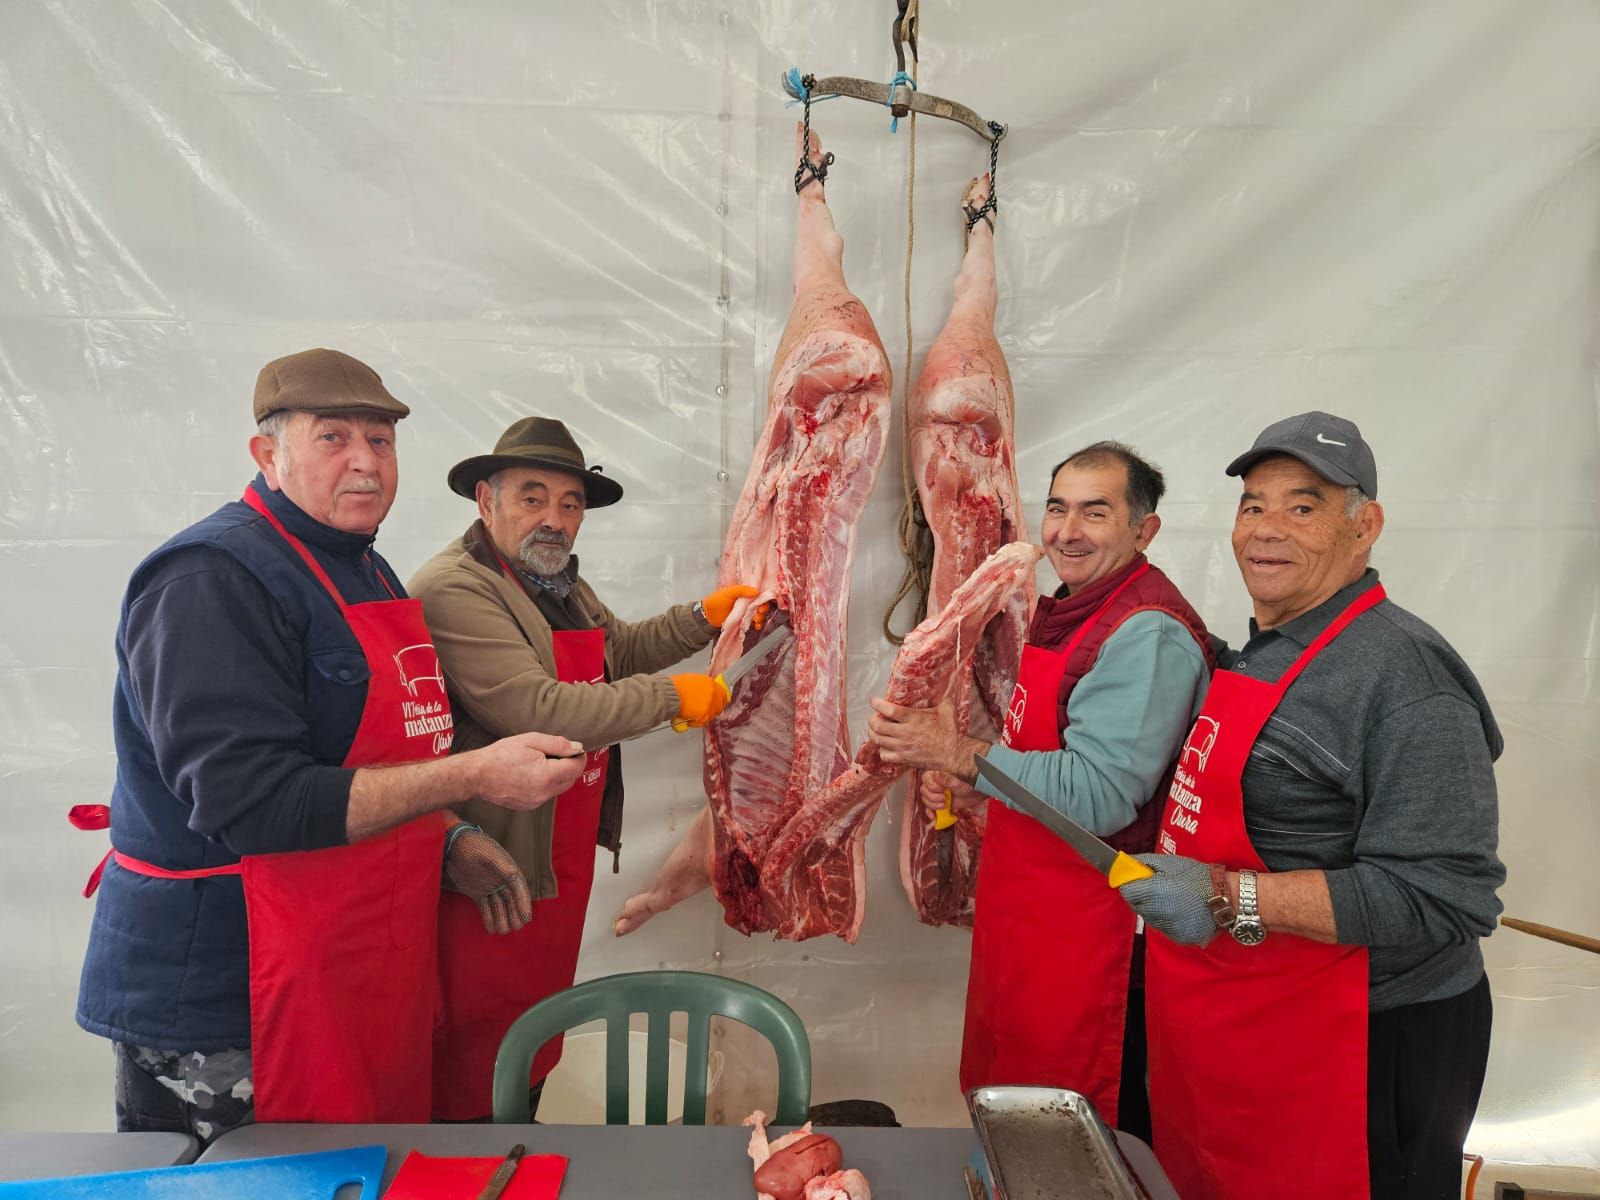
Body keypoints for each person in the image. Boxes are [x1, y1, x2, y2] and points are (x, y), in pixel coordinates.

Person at [73, 348, 585, 1145]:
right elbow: (256, 803)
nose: (364, 463)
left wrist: (449, 836)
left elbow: (369, 753)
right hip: (232, 993)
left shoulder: (362, 567)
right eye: (333, 437)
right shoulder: (210, 580)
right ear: (267, 454)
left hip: (351, 969)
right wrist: (477, 774)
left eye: (380, 442)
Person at [1120, 412, 1504, 1200]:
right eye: (1252, 505)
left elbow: (1444, 895)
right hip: (1247, 1021)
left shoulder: (1406, 680)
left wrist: (1226, 896)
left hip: (1364, 1044)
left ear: (1365, 526)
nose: (1267, 529)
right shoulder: (1268, 648)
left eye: (1303, 506)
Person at [409, 415, 761, 1122]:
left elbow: (617, 650)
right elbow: (541, 708)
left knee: (534, 1040)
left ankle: (518, 1143)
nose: (556, 519)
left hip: (555, 855)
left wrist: (702, 617)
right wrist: (674, 697)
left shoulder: (555, 580)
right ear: (486, 499)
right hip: (491, 862)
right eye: (533, 498)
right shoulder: (456, 587)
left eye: (570, 505)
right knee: (478, 1059)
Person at [867, 442, 1212, 1138]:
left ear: (1144, 531)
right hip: (1031, 925)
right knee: (1019, 1118)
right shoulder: (1076, 609)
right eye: (1057, 508)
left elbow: (1102, 792)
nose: (1067, 531)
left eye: (1096, 512)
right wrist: (987, 792)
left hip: (1095, 943)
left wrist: (956, 753)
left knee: (1075, 1139)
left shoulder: (1145, 632)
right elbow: (1055, 756)